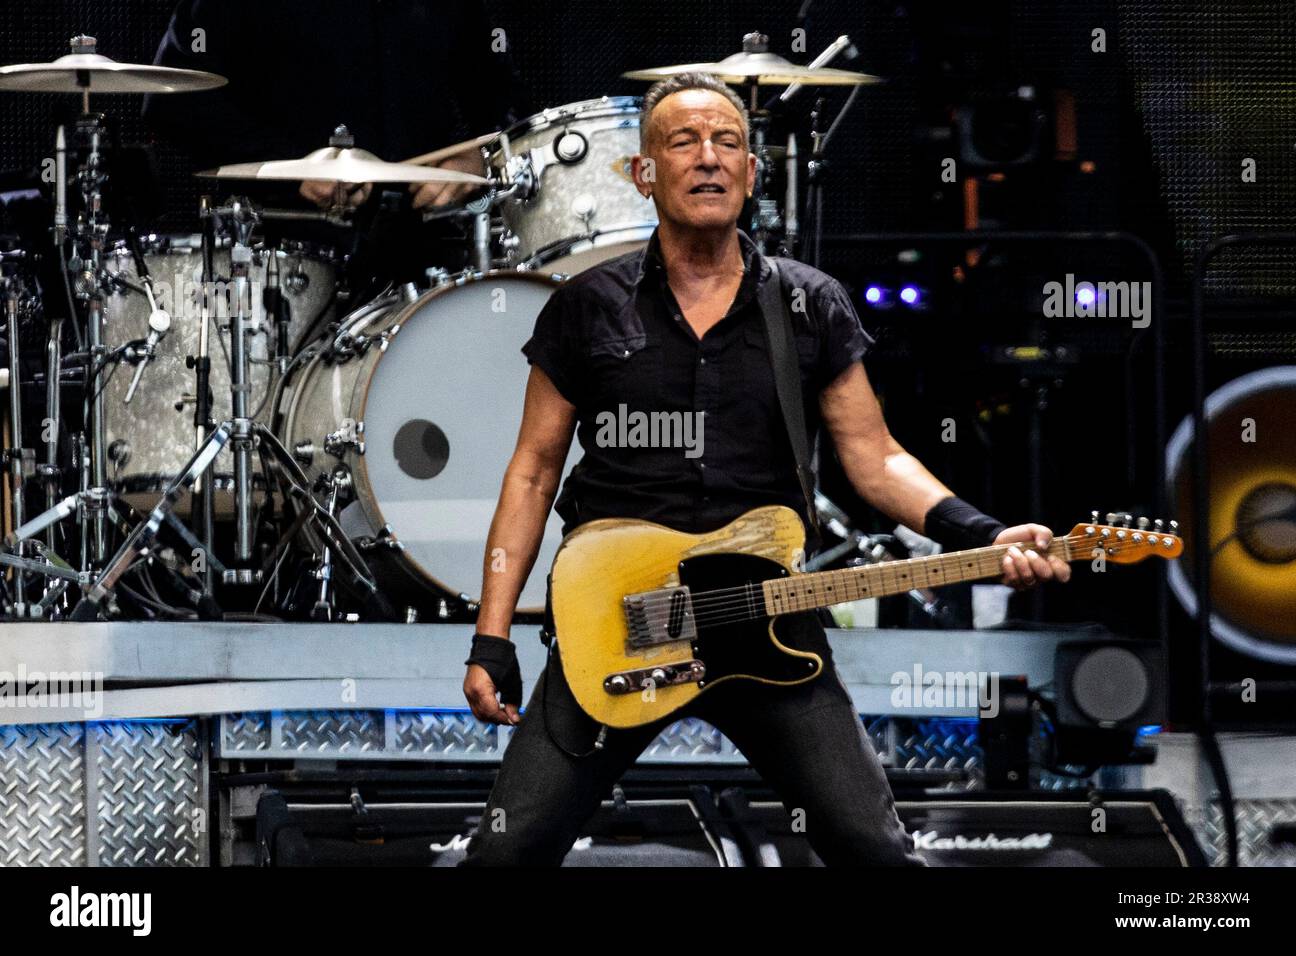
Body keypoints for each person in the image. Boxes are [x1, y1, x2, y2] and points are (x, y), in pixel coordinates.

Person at [458, 72, 1070, 867]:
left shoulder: (810, 305)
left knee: (876, 852)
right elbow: (534, 473)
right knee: (505, 856)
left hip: (766, 618)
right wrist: (492, 635)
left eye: (728, 143)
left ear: (752, 174)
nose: (708, 159)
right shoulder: (587, 306)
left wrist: (984, 534)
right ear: (643, 174)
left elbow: (876, 458)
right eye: (683, 142)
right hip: (614, 620)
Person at [142, 0, 529, 236]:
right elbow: (174, 102)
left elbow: (501, 103)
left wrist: (480, 158)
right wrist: (293, 168)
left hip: (424, 240)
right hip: (287, 245)